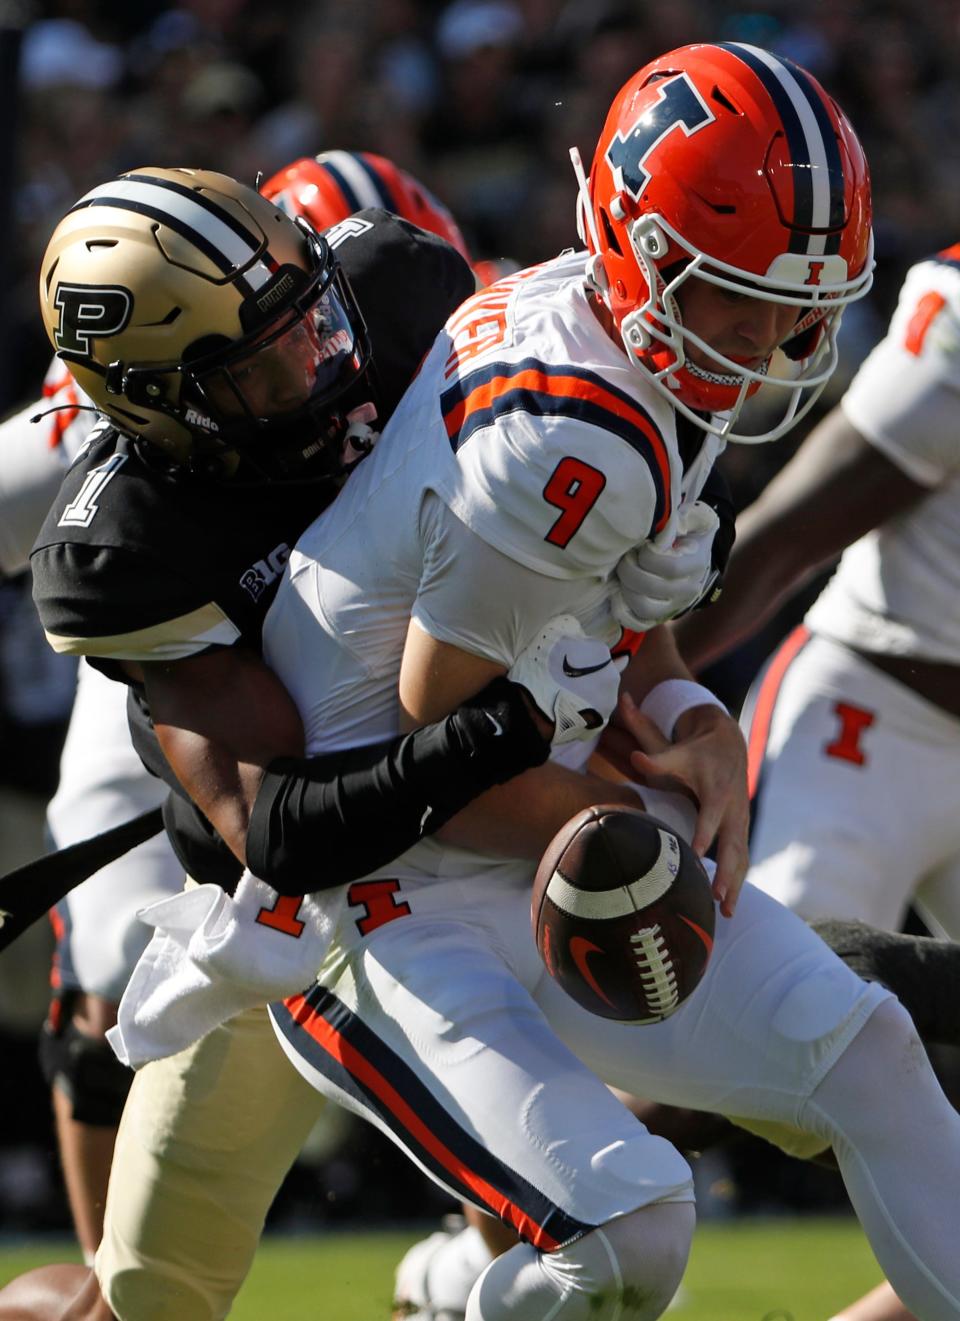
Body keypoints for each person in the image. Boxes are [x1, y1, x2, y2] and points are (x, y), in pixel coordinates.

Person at [231, 41, 957, 1321]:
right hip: (376, 892)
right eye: (737, 295)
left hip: (500, 832)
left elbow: (621, 632)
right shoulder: (572, 430)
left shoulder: (632, 353)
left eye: (799, 306)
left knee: (874, 1054)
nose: (774, 339)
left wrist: (691, 719)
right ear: (642, 250)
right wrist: (600, 821)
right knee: (628, 1230)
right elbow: (435, 743)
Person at [0, 166, 606, 1321]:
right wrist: (506, 726)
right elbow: (285, 827)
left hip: (451, 811)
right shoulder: (115, 539)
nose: (326, 361)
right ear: (150, 403)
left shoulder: (397, 287)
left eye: (315, 313)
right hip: (267, 884)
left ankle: (457, 1279)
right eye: (266, 361)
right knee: (139, 1282)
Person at [671, 241, 960, 1321]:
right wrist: (604, 693)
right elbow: (779, 544)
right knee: (727, 1039)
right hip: (872, 719)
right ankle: (475, 1261)